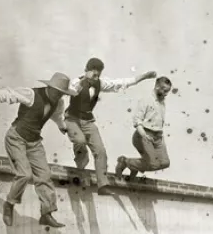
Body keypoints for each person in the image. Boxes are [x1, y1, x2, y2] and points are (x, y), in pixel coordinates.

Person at [0, 72, 74, 228]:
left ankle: (46, 213)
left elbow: (56, 116)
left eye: (62, 93)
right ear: (50, 87)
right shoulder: (31, 94)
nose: (59, 96)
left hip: (34, 142)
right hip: (16, 138)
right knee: (24, 174)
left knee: (44, 175)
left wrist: (63, 127)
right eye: (57, 92)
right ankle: (9, 204)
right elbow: (8, 94)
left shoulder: (58, 103)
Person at [65, 57, 156, 195]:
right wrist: (75, 88)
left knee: (100, 151)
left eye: (98, 75)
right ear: (86, 71)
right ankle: (81, 166)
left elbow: (122, 82)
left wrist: (144, 76)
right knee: (80, 141)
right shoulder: (76, 82)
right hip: (72, 120)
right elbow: (70, 89)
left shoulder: (99, 83)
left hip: (88, 121)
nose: (95, 78)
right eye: (93, 74)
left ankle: (102, 185)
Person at [115, 76, 173, 180]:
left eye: (167, 91)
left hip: (158, 137)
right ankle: (124, 162)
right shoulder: (146, 100)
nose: (166, 94)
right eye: (164, 91)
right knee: (153, 164)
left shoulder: (162, 102)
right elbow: (137, 121)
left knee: (165, 163)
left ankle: (133, 165)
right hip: (144, 135)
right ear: (157, 87)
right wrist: (144, 135)